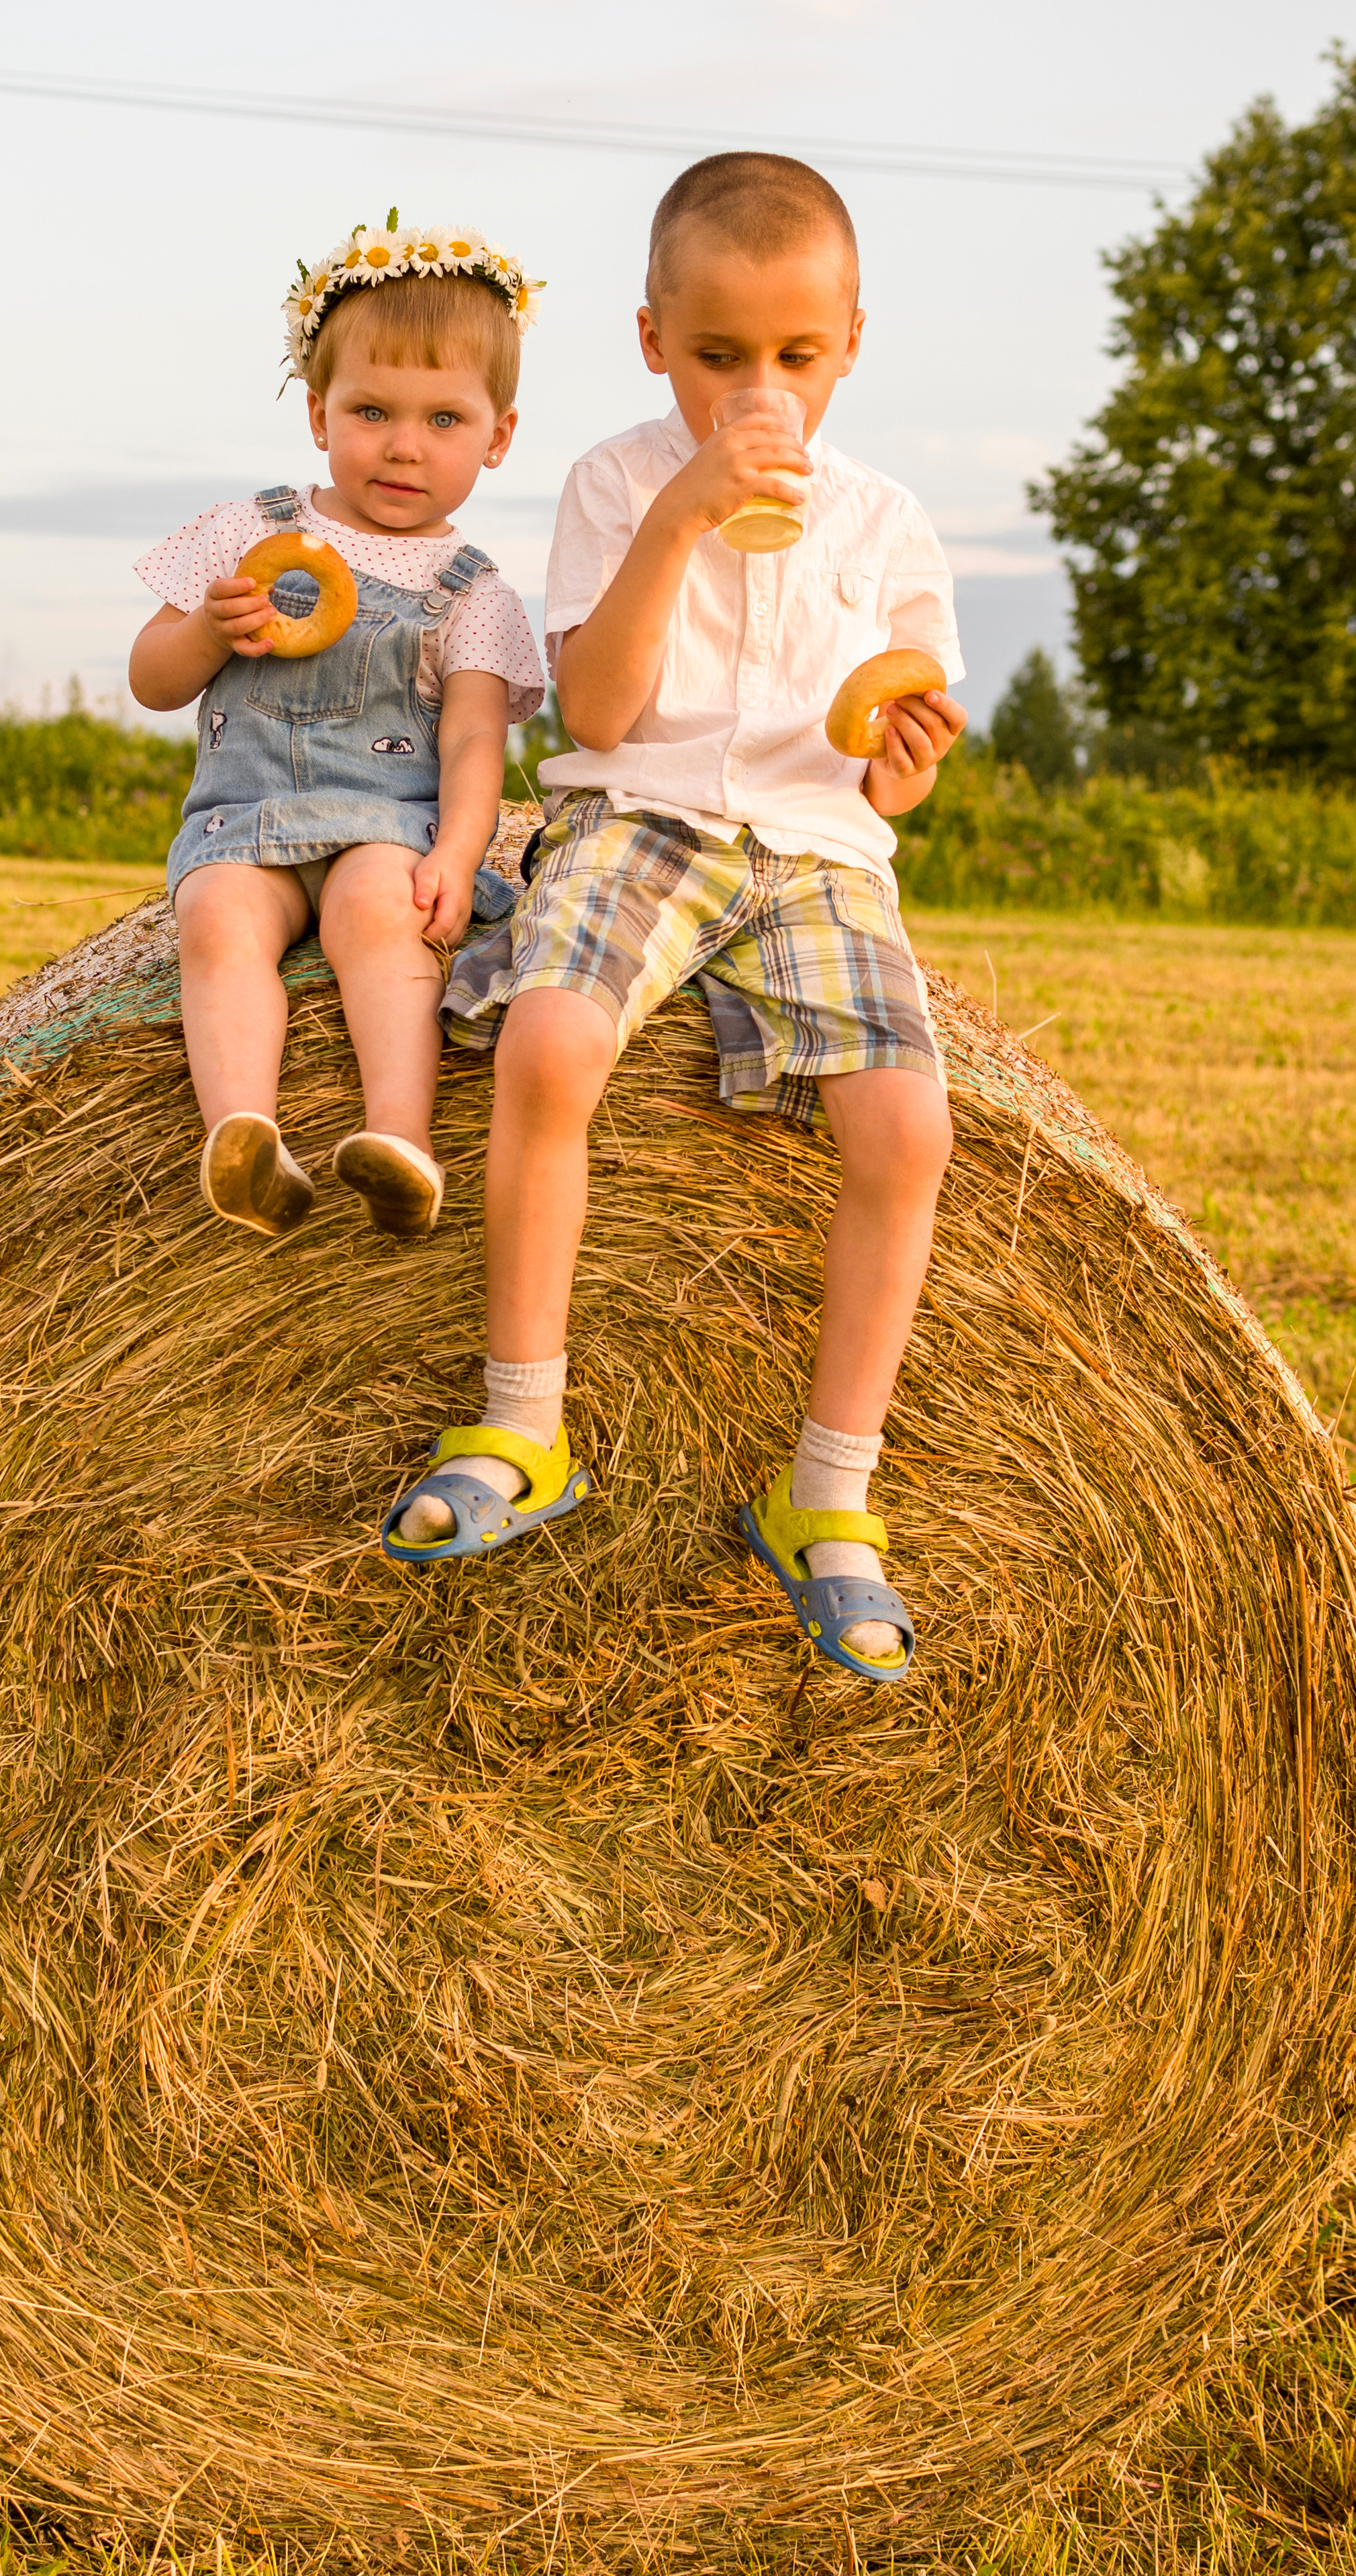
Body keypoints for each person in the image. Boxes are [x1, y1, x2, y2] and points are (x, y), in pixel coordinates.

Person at [383, 154, 966, 1684]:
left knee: (908, 1131)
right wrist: (684, 518)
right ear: (653, 342)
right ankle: (522, 1422)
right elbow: (593, 708)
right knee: (551, 1043)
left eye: (794, 356)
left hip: (819, 851)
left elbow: (890, 777)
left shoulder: (888, 525)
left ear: (850, 346)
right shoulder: (614, 484)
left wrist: (902, 763)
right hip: (641, 817)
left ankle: (826, 1492)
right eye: (716, 357)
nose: (754, 391)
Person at [128, 218, 546, 1239]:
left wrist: (457, 854)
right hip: (245, 826)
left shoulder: (474, 592)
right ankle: (245, 1138)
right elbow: (149, 679)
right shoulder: (250, 532)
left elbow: (474, 743)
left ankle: (399, 1138)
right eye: (371, 411)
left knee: (380, 917)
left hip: (382, 828)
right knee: (217, 922)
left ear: (498, 437)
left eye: (444, 419)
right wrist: (206, 631)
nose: (404, 444)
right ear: (319, 415)